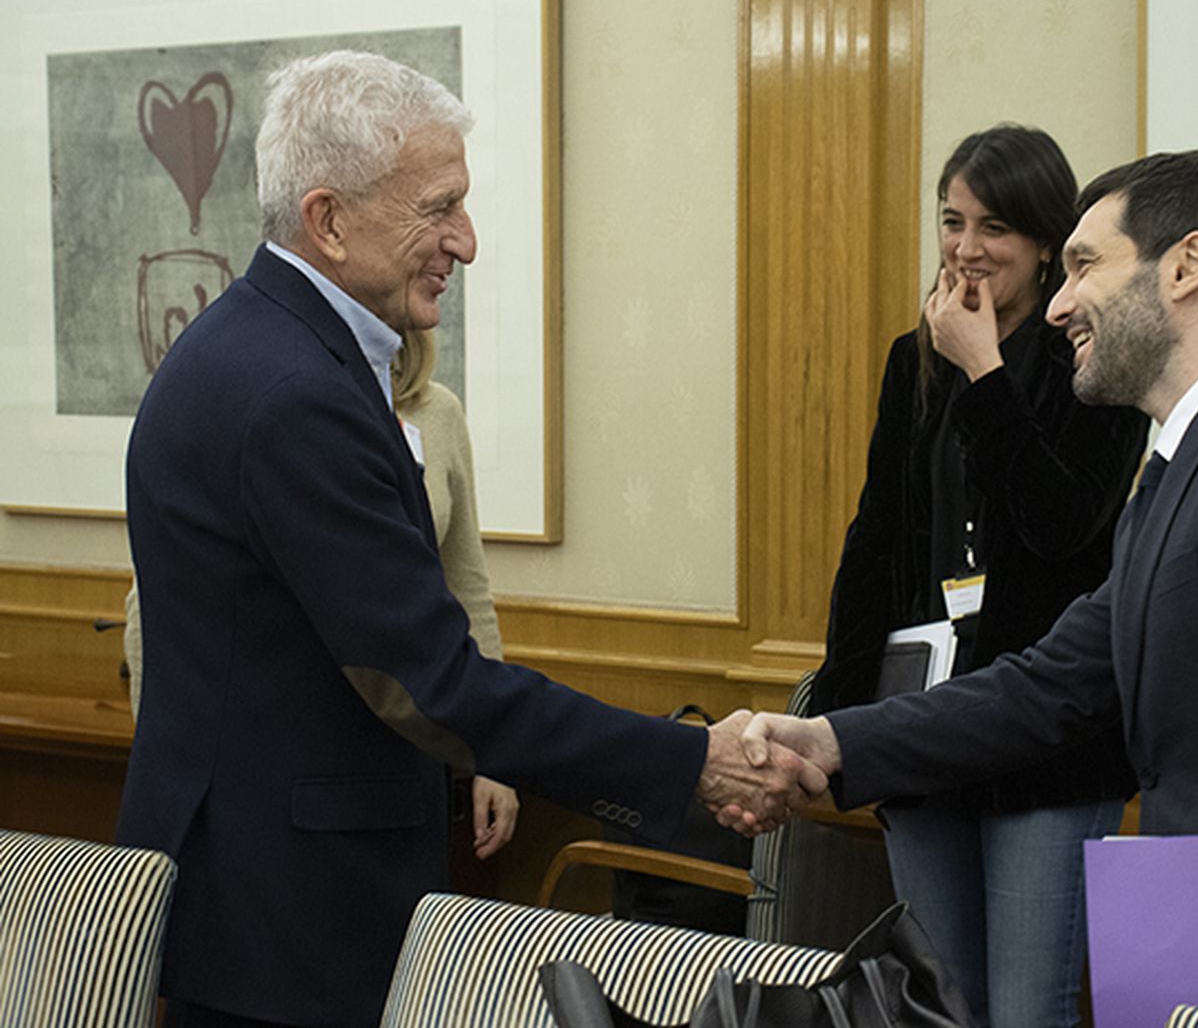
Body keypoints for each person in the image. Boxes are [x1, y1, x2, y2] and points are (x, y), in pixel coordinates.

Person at [117, 50, 818, 1027]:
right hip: (291, 928)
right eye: (436, 207)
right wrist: (686, 759)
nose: (468, 240)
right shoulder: (296, 397)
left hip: (250, 905)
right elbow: (428, 676)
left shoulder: (242, 350)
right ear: (327, 219)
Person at [736, 148, 1198, 1028]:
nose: (1061, 303)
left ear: (1186, 266)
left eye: (1083, 265)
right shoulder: (1183, 469)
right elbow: (1048, 685)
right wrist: (830, 739)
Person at [809, 124, 1144, 1028]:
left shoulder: (1098, 363)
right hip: (924, 728)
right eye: (951, 221)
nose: (965, 248)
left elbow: (1062, 530)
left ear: (1046, 241)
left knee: (1026, 1010)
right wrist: (832, 720)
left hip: (1047, 744)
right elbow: (877, 544)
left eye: (993, 226)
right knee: (940, 1005)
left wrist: (984, 369)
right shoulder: (909, 359)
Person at [122, 327, 522, 863]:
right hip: (271, 767)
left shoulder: (440, 414)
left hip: (403, 764)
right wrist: (168, 763)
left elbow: (466, 589)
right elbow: (152, 612)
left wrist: (495, 753)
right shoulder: (272, 403)